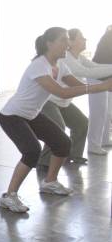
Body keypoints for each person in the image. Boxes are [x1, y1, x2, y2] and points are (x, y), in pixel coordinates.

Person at [0, 27, 112, 214]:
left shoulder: (60, 65)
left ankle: (49, 182)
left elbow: (78, 85)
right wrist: (102, 86)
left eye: (68, 40)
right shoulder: (39, 65)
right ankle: (9, 196)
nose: (67, 44)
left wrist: (105, 87)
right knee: (32, 151)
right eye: (63, 40)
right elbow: (61, 92)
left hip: (31, 114)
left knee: (62, 143)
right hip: (12, 116)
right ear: (49, 43)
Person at [38, 28, 112, 165]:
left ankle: (73, 155)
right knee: (57, 128)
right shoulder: (66, 59)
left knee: (81, 123)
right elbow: (86, 72)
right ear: (71, 42)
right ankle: (44, 162)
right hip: (49, 101)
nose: (85, 40)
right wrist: (102, 85)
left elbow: (95, 66)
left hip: (63, 102)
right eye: (81, 37)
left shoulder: (78, 58)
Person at [87, 26, 112, 154]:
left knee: (107, 111)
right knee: (99, 112)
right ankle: (93, 145)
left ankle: (104, 139)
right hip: (97, 76)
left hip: (107, 76)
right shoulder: (109, 36)